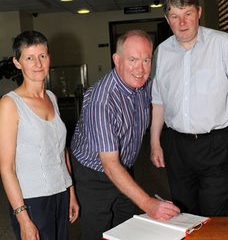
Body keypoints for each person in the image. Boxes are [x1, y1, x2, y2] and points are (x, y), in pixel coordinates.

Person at [150, 0, 228, 217]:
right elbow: (158, 101)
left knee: (215, 214)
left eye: (188, 14)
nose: (182, 23)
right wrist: (154, 143)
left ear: (199, 12)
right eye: (175, 16)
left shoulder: (224, 44)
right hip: (177, 147)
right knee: (184, 214)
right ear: (167, 19)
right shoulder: (161, 53)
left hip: (216, 146)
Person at [70, 29, 180, 240]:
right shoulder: (101, 101)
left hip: (124, 168)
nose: (140, 69)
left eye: (146, 60)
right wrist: (148, 203)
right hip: (93, 173)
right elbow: (110, 165)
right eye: (133, 60)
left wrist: (155, 143)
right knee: (97, 231)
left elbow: (161, 100)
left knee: (128, 228)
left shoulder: (143, 85)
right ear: (117, 60)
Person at [0, 30, 79, 240]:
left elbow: (61, 151)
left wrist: (70, 192)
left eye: (42, 56)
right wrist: (23, 218)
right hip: (31, 200)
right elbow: (6, 167)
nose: (38, 63)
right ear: (17, 62)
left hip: (60, 192)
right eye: (29, 57)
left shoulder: (51, 97)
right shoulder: (9, 104)